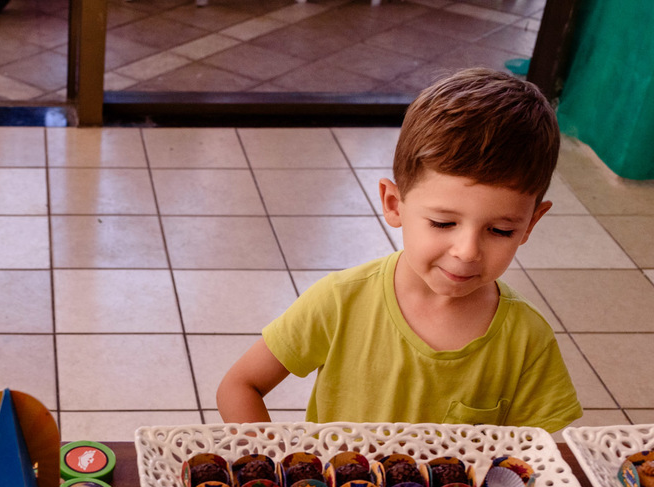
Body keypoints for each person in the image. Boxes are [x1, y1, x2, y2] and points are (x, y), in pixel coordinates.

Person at [217, 68, 581, 432]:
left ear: (531, 223)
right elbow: (239, 386)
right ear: (394, 204)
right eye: (443, 223)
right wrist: (277, 462)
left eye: (501, 230)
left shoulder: (527, 339)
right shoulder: (340, 302)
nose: (468, 251)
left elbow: (543, 451)